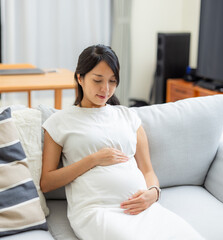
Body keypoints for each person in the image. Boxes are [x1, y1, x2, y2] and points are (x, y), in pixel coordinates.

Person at [41, 44, 203, 240]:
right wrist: (94, 159)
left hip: (143, 209)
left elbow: (148, 171)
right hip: (98, 211)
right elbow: (47, 182)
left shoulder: (128, 116)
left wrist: (153, 193)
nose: (106, 89)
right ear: (80, 78)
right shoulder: (59, 122)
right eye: (98, 80)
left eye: (112, 81)